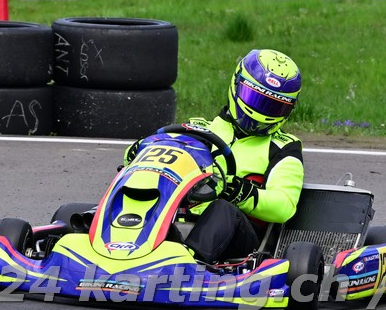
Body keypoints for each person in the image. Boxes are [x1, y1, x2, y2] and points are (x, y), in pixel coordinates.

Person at [125, 48, 304, 263]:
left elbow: (284, 205)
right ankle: (109, 244)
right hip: (177, 216)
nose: (261, 111)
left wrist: (241, 193)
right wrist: (139, 150)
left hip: (236, 237)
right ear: (236, 86)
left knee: (223, 209)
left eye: (274, 106)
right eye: (254, 98)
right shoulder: (198, 129)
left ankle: (188, 263)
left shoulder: (284, 148)